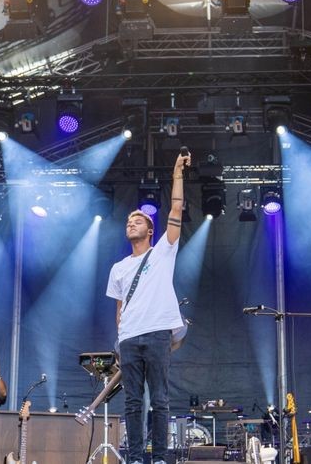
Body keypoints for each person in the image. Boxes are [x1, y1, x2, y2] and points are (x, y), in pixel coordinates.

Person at [107, 152, 190, 464]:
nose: (131, 223)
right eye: (128, 221)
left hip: (157, 333)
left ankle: (161, 457)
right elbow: (119, 307)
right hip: (129, 338)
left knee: (159, 399)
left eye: (137, 220)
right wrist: (120, 337)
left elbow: (177, 208)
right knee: (131, 402)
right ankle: (137, 457)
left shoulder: (163, 252)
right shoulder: (117, 267)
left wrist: (177, 174)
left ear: (150, 229)